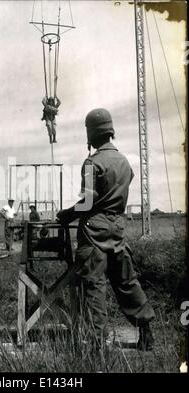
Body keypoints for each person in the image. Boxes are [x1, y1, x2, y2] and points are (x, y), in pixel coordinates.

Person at [56, 108, 155, 351]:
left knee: (93, 286)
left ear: (90, 135)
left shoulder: (92, 162)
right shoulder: (123, 161)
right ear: (111, 131)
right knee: (126, 282)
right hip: (117, 229)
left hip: (94, 231)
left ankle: (95, 344)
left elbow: (88, 202)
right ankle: (146, 333)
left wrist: (67, 215)